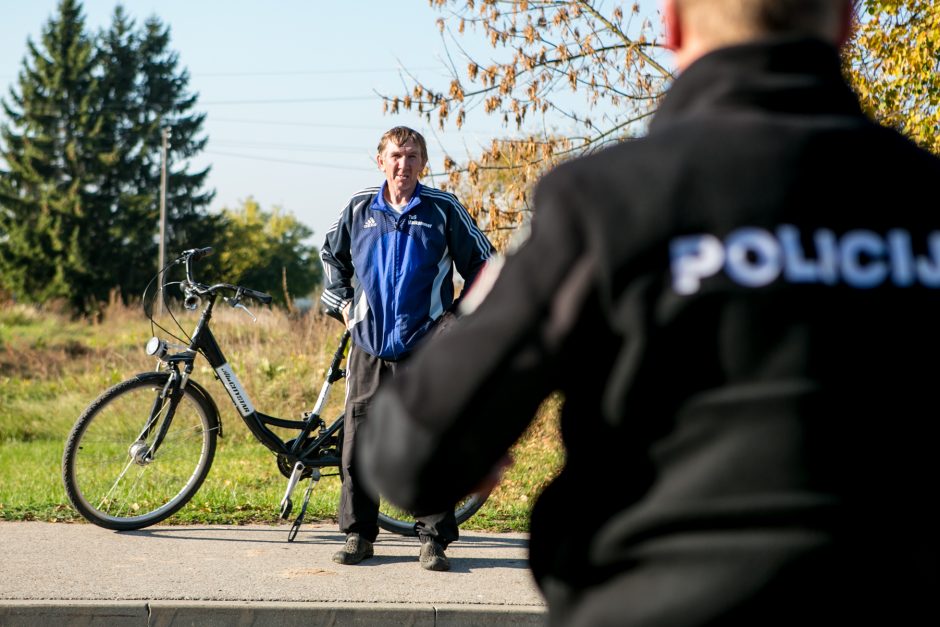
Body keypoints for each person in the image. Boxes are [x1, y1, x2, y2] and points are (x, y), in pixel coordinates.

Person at [361, 0, 939, 623]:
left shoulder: (601, 201)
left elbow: (410, 458)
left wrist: (464, 445)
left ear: (674, 26)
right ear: (847, 25)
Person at [319, 126, 493, 571]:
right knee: (359, 441)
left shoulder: (442, 209)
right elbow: (330, 256)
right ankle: (359, 535)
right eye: (396, 156)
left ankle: (433, 539)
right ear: (381, 161)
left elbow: (484, 266)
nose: (404, 164)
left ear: (423, 163)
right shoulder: (359, 207)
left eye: (413, 156)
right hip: (370, 344)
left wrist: (456, 320)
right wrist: (342, 306)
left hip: (426, 346)